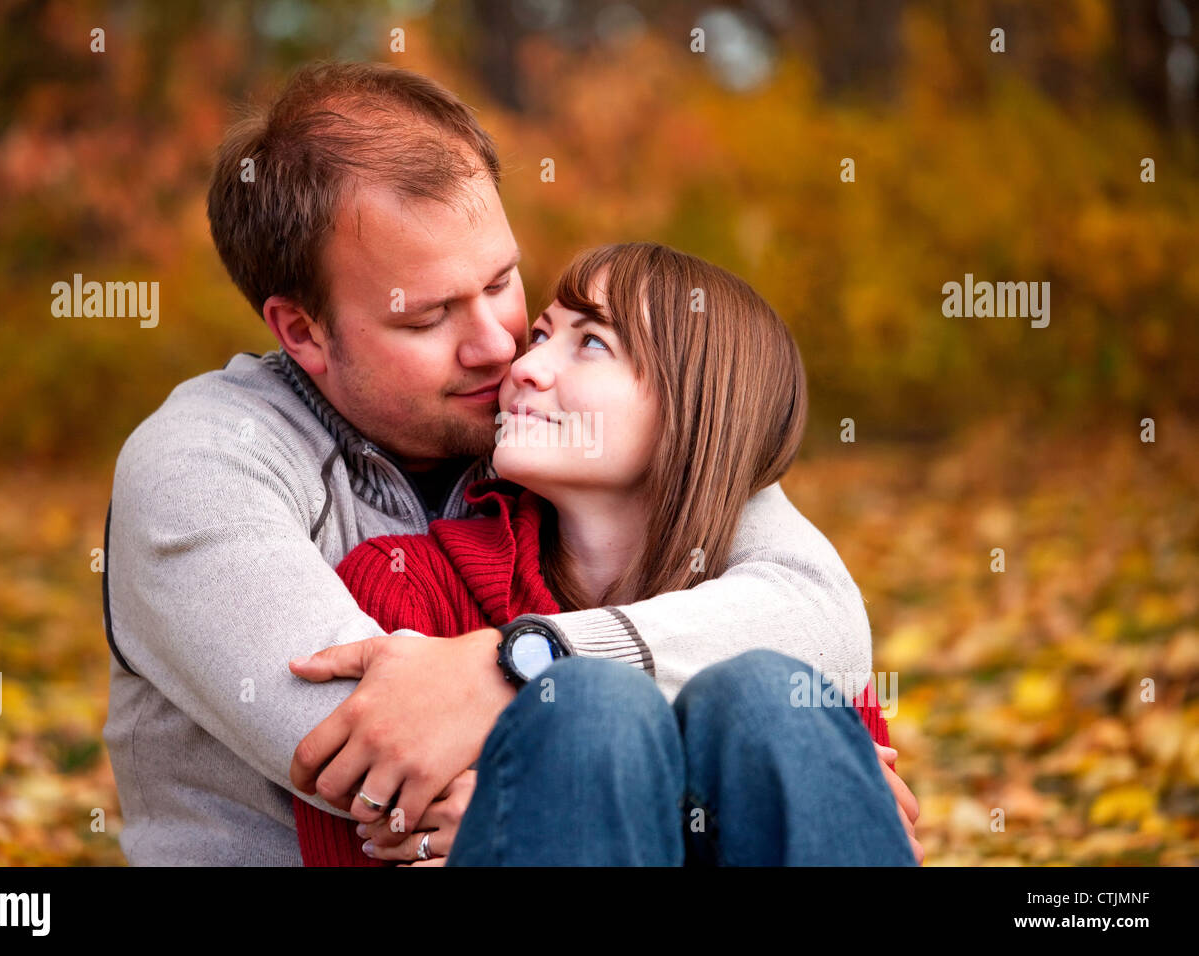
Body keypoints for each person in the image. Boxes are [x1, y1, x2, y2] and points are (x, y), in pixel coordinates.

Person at [101, 60, 918, 865]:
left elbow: (815, 618)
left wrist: (510, 668)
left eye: (501, 283)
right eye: (426, 319)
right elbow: (376, 748)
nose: (500, 346)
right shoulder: (200, 468)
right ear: (304, 332)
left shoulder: (561, 431)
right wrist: (780, 786)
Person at [290, 242, 917, 866]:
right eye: (540, 335)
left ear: (696, 409)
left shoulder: (777, 625)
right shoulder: (407, 587)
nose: (525, 368)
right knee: (591, 707)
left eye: (591, 342)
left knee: (764, 694)